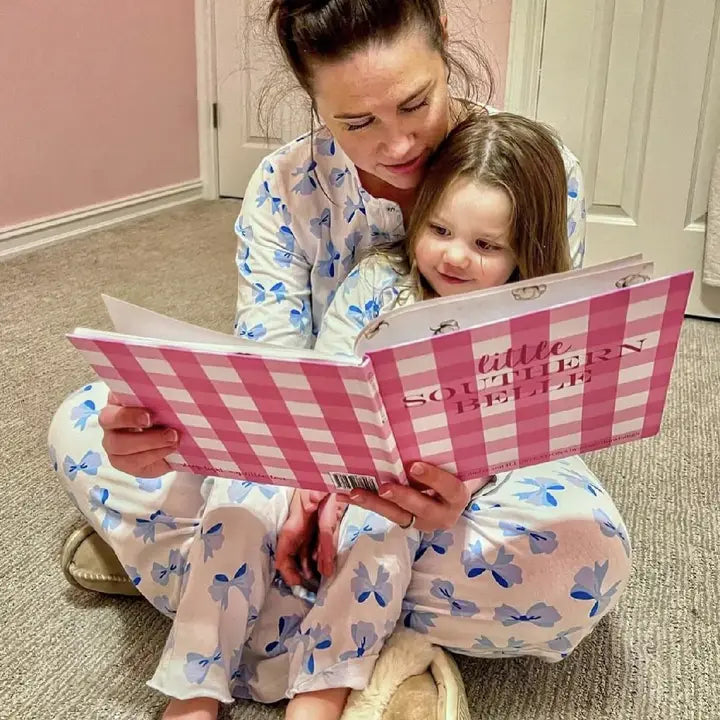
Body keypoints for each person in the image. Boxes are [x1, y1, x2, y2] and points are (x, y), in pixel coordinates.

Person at [48, 1, 629, 719]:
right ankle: (368, 656)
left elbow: (545, 375)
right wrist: (189, 449)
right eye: (356, 122)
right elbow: (269, 364)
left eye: (416, 102)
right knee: (81, 424)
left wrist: (459, 493)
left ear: (445, 42)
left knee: (585, 562)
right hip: (297, 459)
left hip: (463, 474)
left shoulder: (533, 167)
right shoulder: (283, 185)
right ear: (311, 97)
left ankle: (219, 601)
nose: (397, 143)